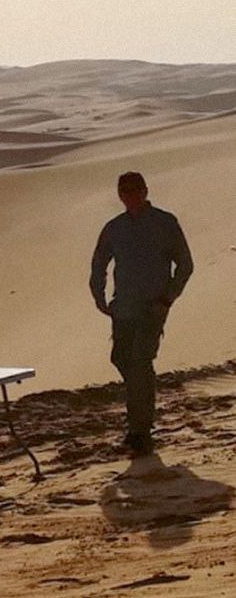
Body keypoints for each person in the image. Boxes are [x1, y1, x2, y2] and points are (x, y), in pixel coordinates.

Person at [90, 172, 193, 455]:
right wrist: (98, 296)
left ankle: (140, 429)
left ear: (145, 191)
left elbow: (185, 264)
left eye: (135, 190)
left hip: (152, 306)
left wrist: (168, 298)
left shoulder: (165, 222)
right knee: (122, 358)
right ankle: (141, 410)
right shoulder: (115, 227)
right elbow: (99, 262)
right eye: (125, 191)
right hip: (123, 307)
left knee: (140, 359)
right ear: (120, 195)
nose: (130, 196)